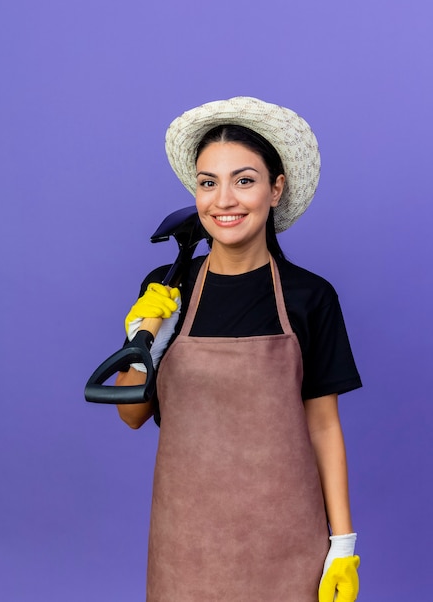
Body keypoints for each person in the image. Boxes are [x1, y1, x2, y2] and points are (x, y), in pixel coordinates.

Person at [115, 97, 362, 601]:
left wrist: (342, 545)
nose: (223, 200)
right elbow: (131, 415)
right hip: (186, 541)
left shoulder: (309, 297)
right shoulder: (166, 292)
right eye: (208, 182)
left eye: (244, 180)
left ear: (276, 189)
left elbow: (323, 425)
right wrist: (149, 336)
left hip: (288, 540)